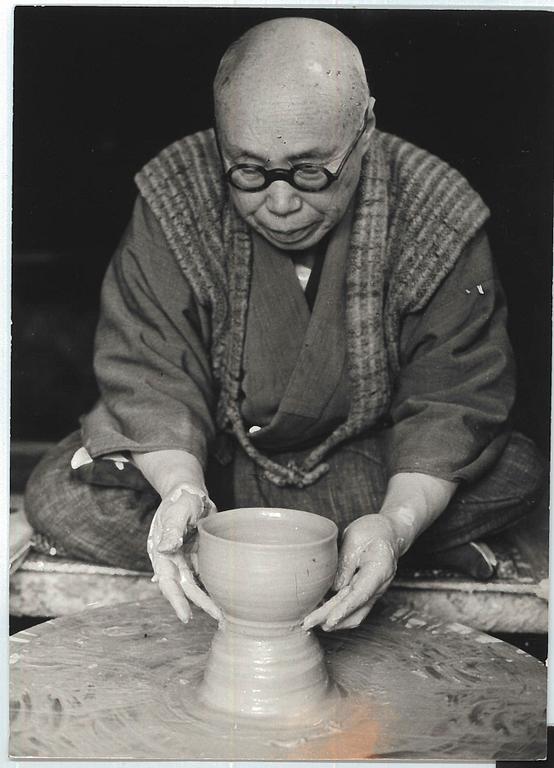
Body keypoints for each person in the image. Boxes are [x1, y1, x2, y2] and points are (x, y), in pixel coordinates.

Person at [25, 17, 544, 631]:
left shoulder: (437, 209)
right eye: (247, 170)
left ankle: (360, 546)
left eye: (308, 171)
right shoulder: (176, 191)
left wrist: (396, 522)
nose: (278, 202)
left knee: (514, 473)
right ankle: (346, 551)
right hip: (219, 466)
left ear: (365, 129)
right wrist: (182, 491)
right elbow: (148, 371)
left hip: (367, 463)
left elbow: (452, 399)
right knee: (62, 492)